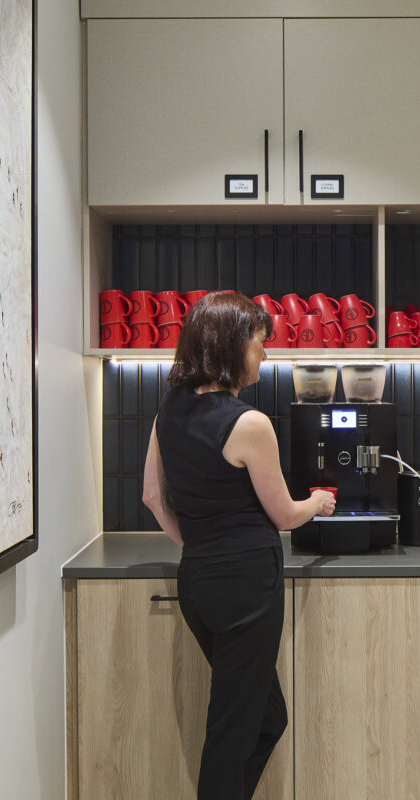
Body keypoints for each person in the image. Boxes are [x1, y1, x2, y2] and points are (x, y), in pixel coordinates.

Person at [141, 292, 336, 799]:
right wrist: (316, 501)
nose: (265, 355)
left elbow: (152, 498)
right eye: (259, 344)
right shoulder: (250, 424)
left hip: (200, 585)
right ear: (231, 346)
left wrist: (203, 544)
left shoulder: (168, 413)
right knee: (230, 737)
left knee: (269, 717)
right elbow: (285, 516)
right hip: (248, 591)